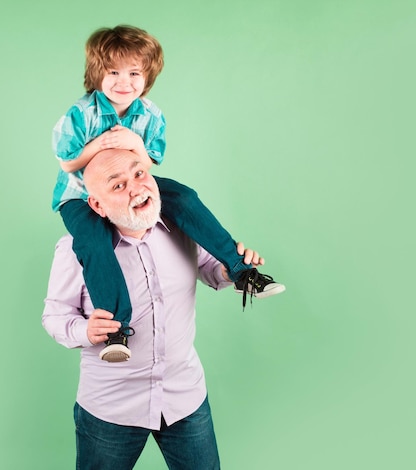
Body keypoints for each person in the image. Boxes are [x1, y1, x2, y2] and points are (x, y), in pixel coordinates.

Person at [51, 25, 284, 362]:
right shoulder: (81, 112)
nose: (124, 81)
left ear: (147, 76)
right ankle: (117, 329)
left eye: (134, 73)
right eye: (113, 72)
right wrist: (97, 146)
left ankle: (239, 270)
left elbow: (150, 160)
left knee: (185, 197)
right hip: (79, 194)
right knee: (94, 242)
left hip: (134, 181)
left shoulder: (149, 114)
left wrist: (133, 145)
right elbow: (67, 160)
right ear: (96, 74)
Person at [43, 148, 268, 469]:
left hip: (184, 396)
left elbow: (208, 268)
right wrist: (86, 331)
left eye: (139, 174)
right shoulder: (74, 249)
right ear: (96, 204)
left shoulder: (181, 226)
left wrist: (230, 269)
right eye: (118, 185)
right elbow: (55, 317)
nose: (136, 188)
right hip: (112, 408)